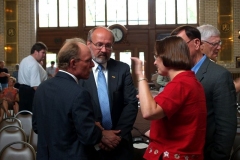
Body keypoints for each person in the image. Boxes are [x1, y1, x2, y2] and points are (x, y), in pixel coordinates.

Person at [32, 38, 120, 160]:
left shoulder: (42, 88)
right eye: (88, 61)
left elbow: (36, 126)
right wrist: (97, 129)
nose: (93, 65)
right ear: (73, 63)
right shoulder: (79, 94)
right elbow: (88, 136)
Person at [131, 36, 207, 160]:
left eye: (157, 57)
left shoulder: (180, 83)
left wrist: (140, 74)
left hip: (172, 154)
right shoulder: (189, 81)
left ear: (168, 56)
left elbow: (149, 112)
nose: (155, 62)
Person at [171, 25, 237, 160]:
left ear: (196, 44)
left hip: (206, 153)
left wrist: (218, 156)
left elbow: (226, 125)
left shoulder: (219, 75)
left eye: (181, 45)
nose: (176, 50)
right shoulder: (178, 73)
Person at [79, 26, 138, 160]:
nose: (104, 50)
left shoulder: (122, 69)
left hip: (120, 143)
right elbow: (78, 109)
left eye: (108, 46)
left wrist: (116, 136)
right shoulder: (79, 71)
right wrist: (100, 135)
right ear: (88, 43)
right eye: (99, 45)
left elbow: (131, 104)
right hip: (90, 144)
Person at [18, 42, 48, 112]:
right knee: (33, 114)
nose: (44, 55)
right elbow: (35, 86)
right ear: (36, 52)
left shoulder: (24, 60)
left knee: (24, 114)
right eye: (43, 52)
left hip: (22, 90)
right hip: (30, 93)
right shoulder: (34, 64)